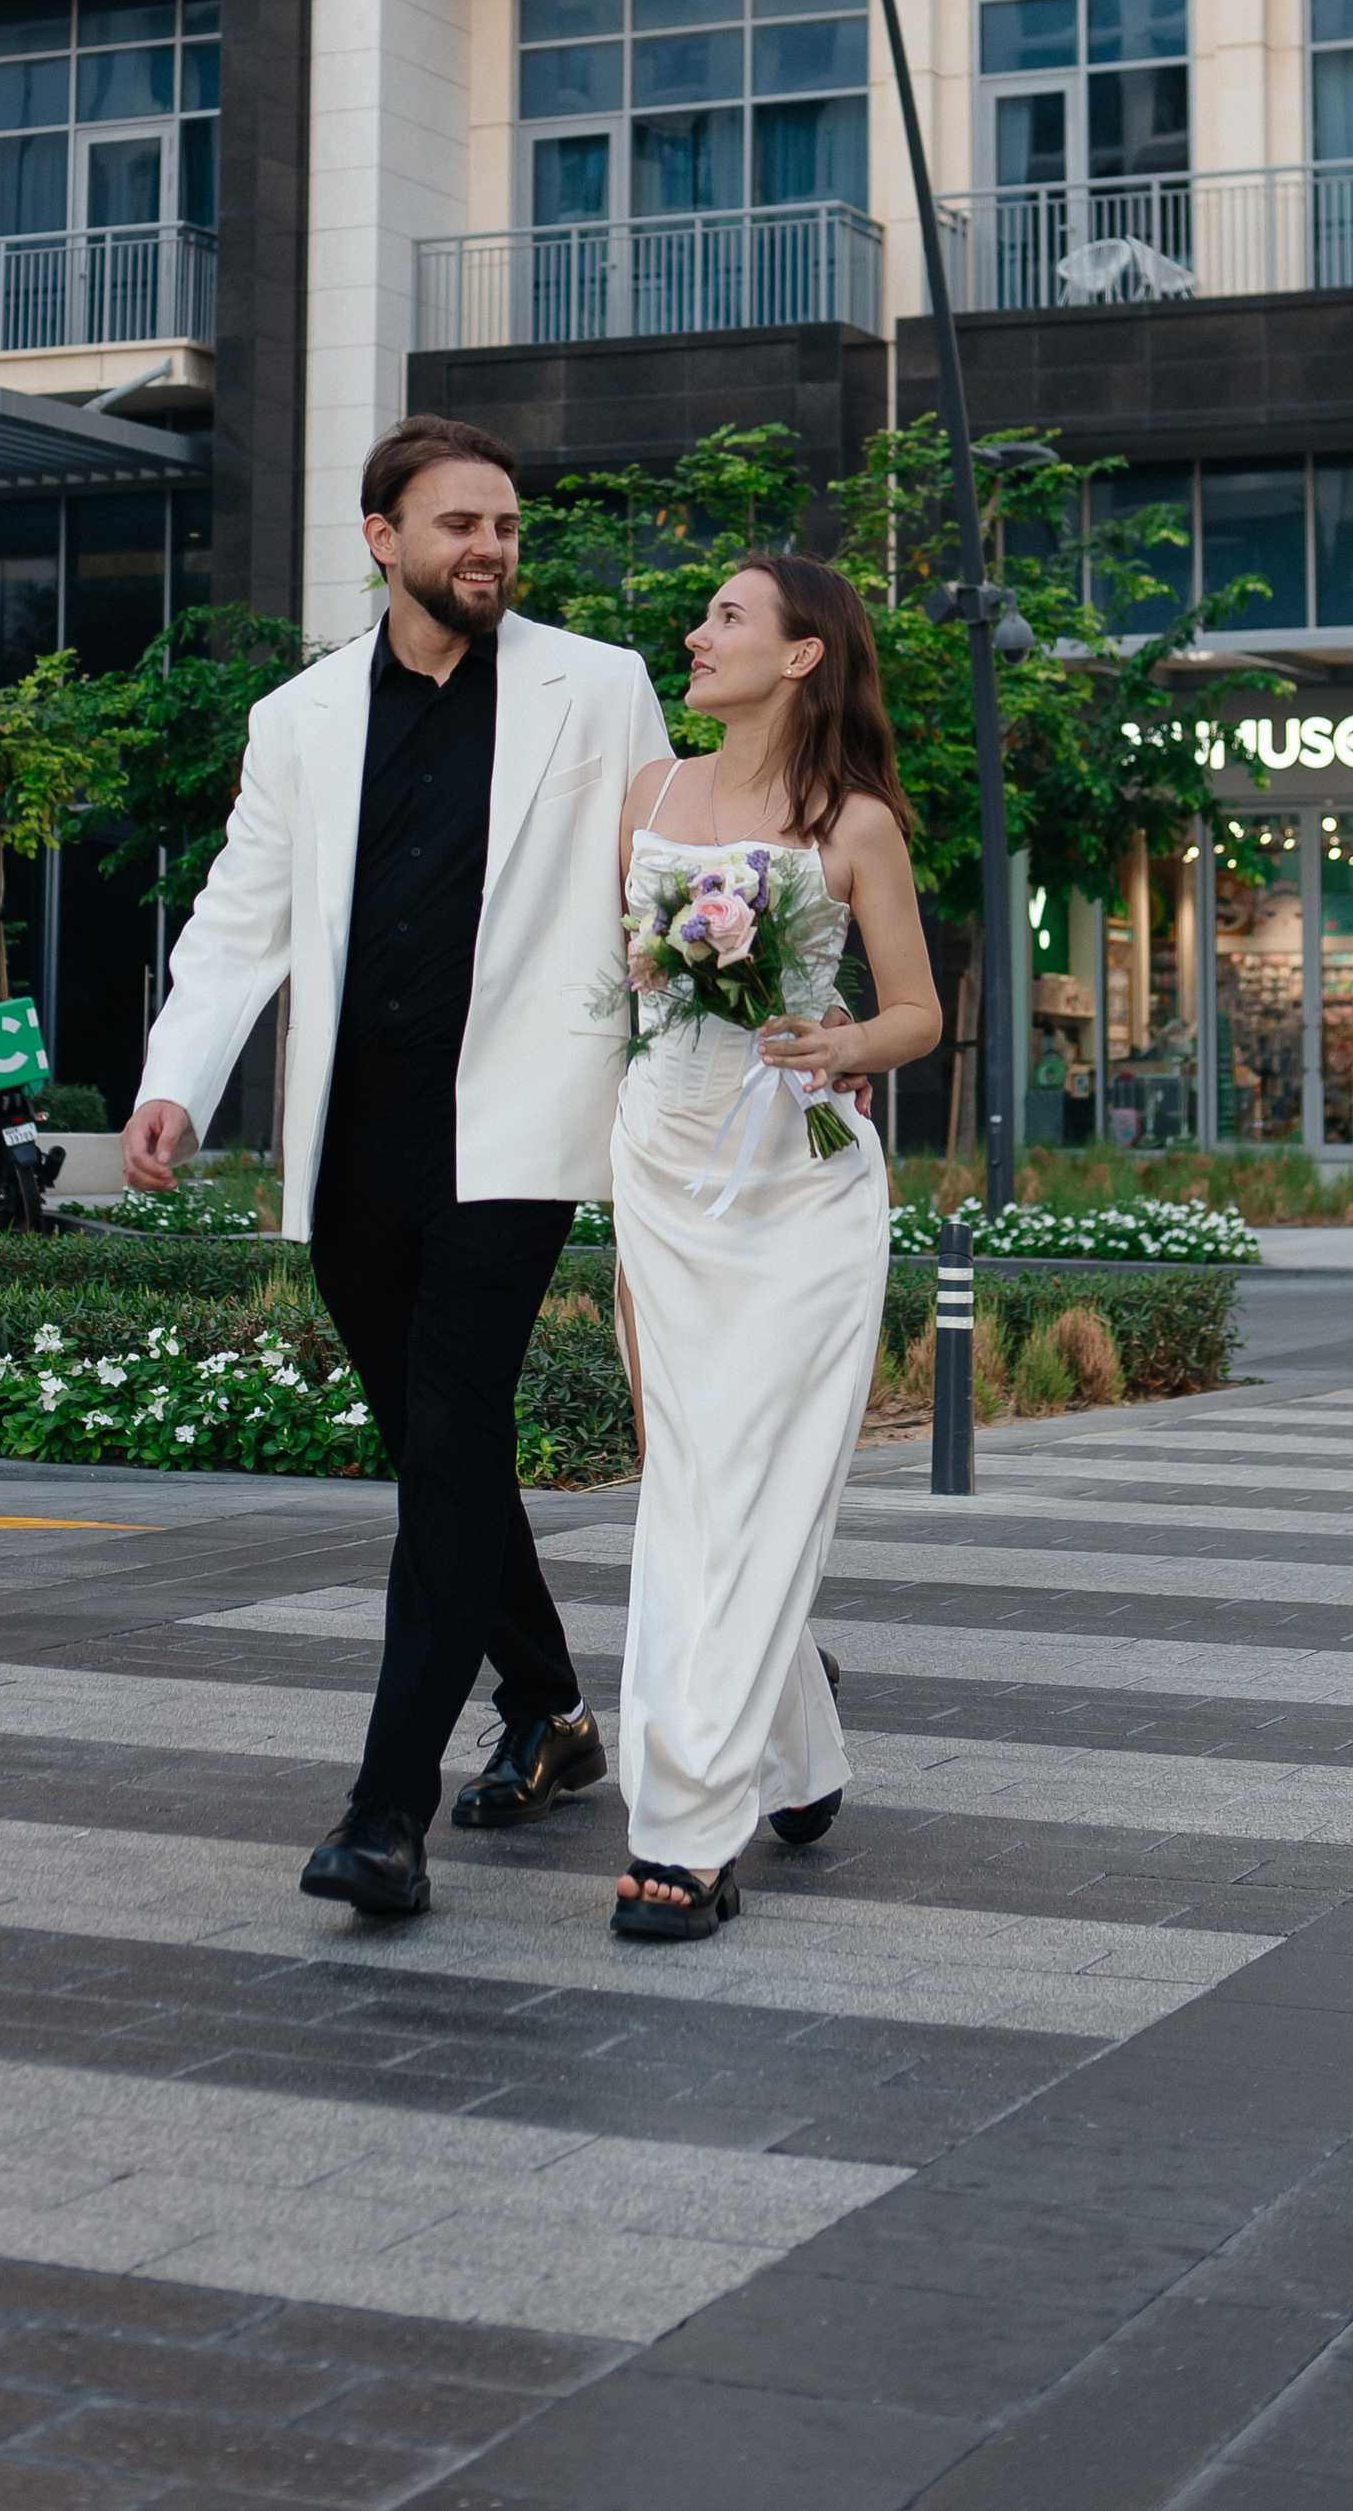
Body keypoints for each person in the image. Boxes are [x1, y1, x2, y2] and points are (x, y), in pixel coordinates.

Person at [123, 416, 671, 1920]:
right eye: (460, 526)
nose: (491, 548)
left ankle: (384, 1809)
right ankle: (554, 1708)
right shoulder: (298, 719)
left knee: (447, 1435)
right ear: (385, 541)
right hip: (355, 1142)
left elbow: (661, 887)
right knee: (441, 1450)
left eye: (505, 525)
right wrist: (178, 1080)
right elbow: (241, 920)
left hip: (517, 1129)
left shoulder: (599, 687)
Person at [608, 557, 940, 1942]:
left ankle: (685, 1827)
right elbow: (601, 981)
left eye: (729, 617)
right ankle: (800, 1744)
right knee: (695, 1483)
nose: (696, 634)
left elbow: (913, 1009)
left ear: (804, 655)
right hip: (663, 1161)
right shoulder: (649, 795)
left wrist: (844, 1041)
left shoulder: (853, 822)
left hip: (798, 1181)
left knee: (741, 1490)